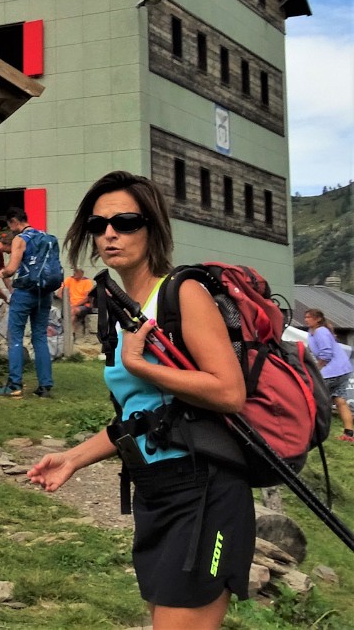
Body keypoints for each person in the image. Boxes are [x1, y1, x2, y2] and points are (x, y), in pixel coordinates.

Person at [27, 171, 251, 630]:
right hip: (157, 491)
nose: (110, 233)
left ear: (153, 227)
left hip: (204, 490)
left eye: (126, 221)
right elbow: (143, 417)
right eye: (99, 225)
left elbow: (230, 392)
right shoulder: (120, 308)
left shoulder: (182, 294)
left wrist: (141, 365)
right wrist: (72, 459)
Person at [0, 207, 55, 398]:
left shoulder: (21, 239)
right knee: (40, 337)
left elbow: (12, 269)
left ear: (14, 221)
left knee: (16, 337)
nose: (10, 229)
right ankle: (45, 386)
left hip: (25, 292)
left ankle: (14, 385)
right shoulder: (48, 238)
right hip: (45, 292)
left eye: (10, 225)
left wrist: (2, 273)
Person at [306, 309, 354, 443]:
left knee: (314, 399)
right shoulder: (313, 333)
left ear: (318, 320)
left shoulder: (321, 331)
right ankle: (349, 434)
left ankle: (312, 432)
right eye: (306, 317)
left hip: (332, 371)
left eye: (309, 317)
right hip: (344, 369)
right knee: (340, 401)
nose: (306, 319)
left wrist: (317, 369)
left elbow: (326, 354)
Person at [57, 265, 96, 341]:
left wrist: (74, 305)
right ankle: (70, 334)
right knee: (68, 311)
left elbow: (87, 298)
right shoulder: (69, 280)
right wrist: (68, 303)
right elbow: (59, 293)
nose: (74, 273)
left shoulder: (87, 282)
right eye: (74, 271)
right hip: (70, 305)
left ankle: (70, 334)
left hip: (83, 305)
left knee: (72, 311)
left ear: (82, 273)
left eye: (76, 271)